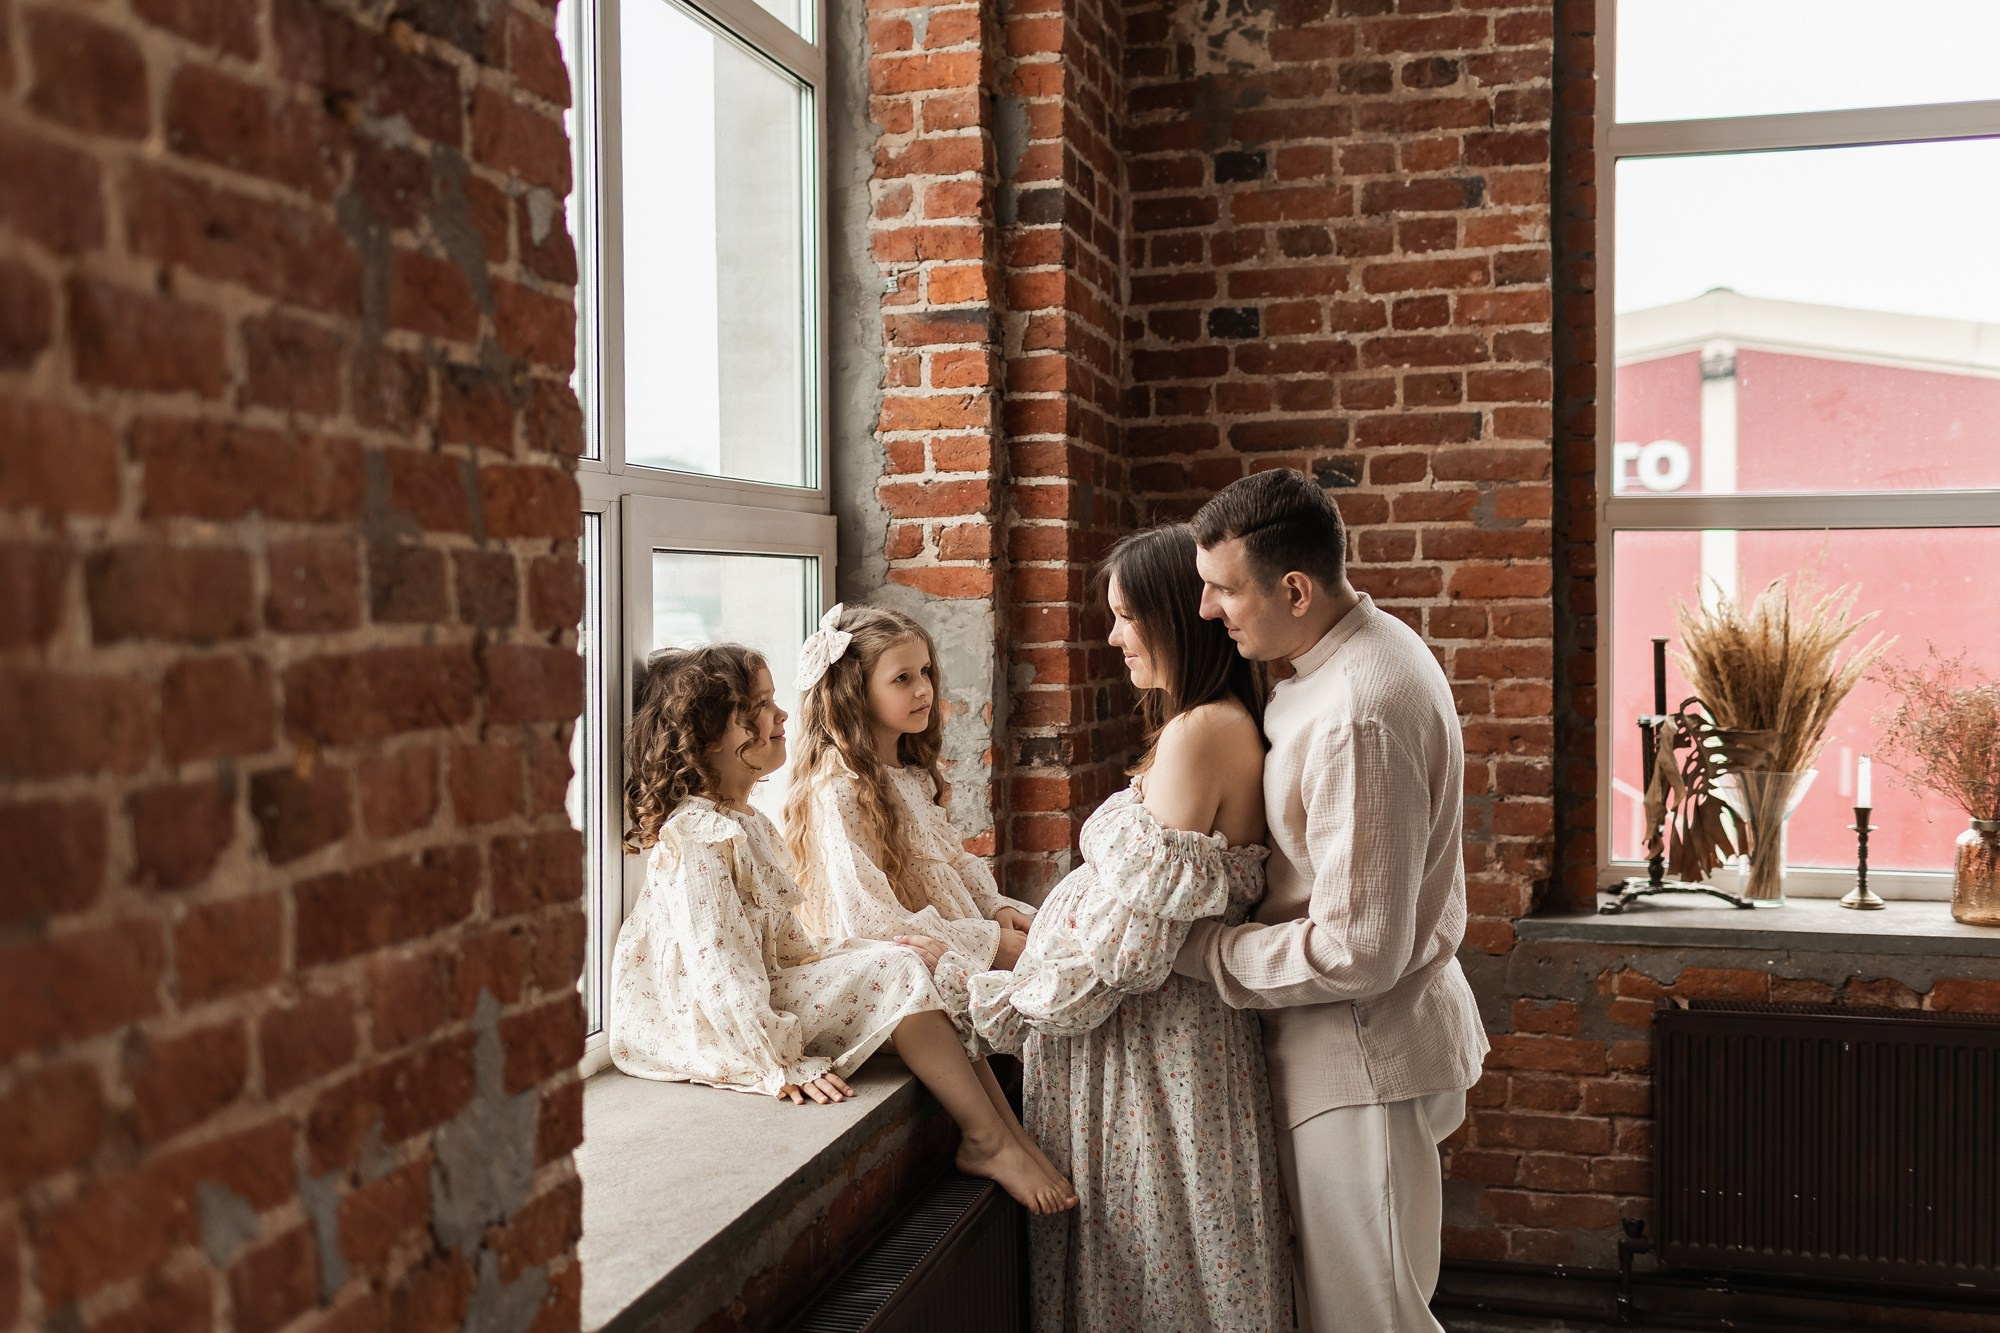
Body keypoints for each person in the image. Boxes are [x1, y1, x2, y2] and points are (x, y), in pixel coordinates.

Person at [934, 525, 1293, 1333]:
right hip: (1151, 1054)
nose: (1112, 635)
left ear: (1172, 617)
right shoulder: (1210, 723)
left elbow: (1121, 957)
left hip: (1150, 1067)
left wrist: (982, 989)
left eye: (1127, 616)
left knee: (1154, 1288)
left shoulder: (1204, 732)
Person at [1174, 467, 1490, 1332]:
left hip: (1363, 1059)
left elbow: (1359, 947)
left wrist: (1200, 953)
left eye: (1224, 589)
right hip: (1351, 1049)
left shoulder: (1360, 707)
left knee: (1369, 1322)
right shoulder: (1346, 655)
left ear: (1297, 588)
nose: (1208, 610)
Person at [607, 643, 1076, 1216]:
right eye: (759, 706)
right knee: (899, 968)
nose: (781, 717)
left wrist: (867, 948)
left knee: (910, 959)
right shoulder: (699, 838)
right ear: (710, 737)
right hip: (713, 1017)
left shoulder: (745, 823)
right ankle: (989, 1139)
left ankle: (1007, 1132)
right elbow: (719, 972)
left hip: (764, 984)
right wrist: (778, 1062)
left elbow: (788, 947)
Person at [784, 604, 1038, 970]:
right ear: (855, 692)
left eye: (924, 672)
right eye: (902, 678)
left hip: (957, 930)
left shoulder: (911, 773)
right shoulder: (840, 787)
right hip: (905, 957)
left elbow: (952, 859)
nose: (924, 689)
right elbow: (871, 918)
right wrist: (988, 945)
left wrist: (996, 908)